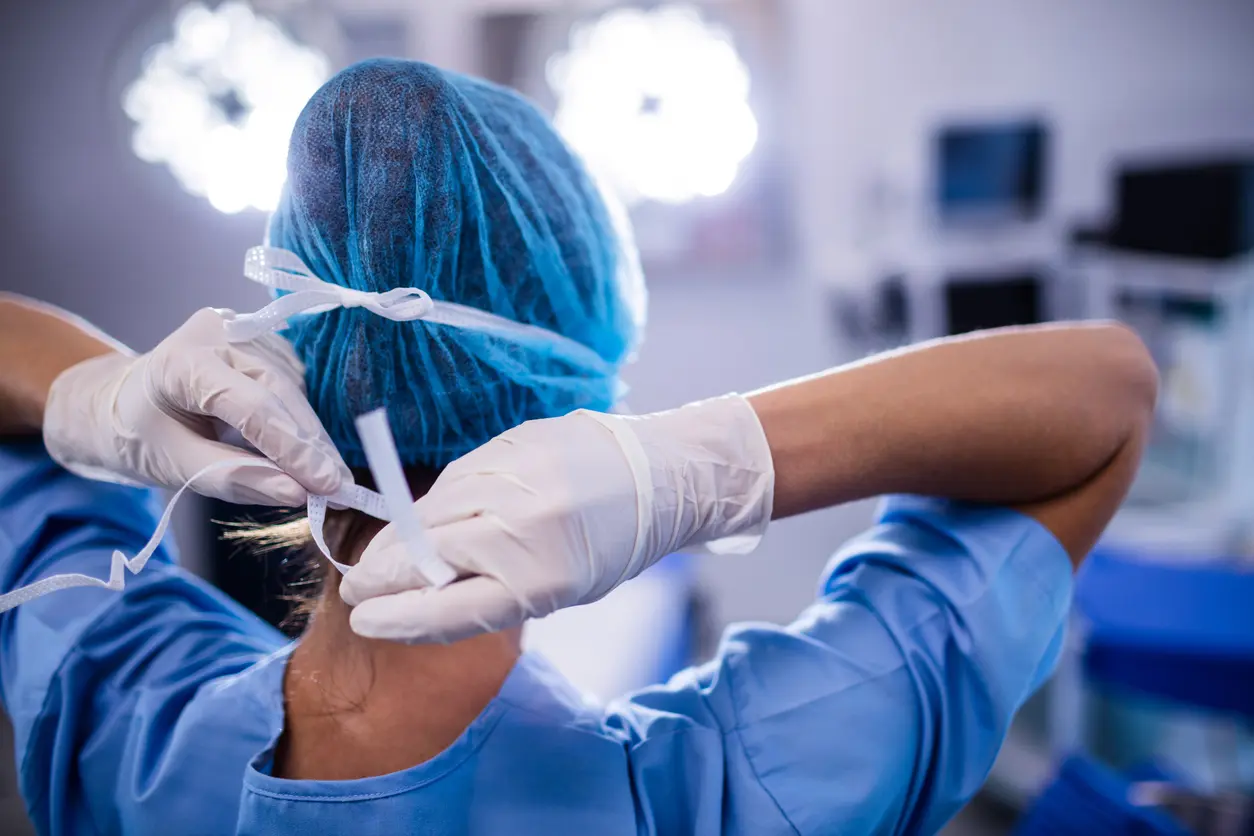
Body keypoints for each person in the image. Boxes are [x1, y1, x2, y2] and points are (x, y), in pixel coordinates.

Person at [0, 57, 1158, 835]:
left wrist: (105, 395)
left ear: (277, 350)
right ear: (575, 402)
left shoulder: (119, 709)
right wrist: (699, 466)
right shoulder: (738, 784)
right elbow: (1104, 396)